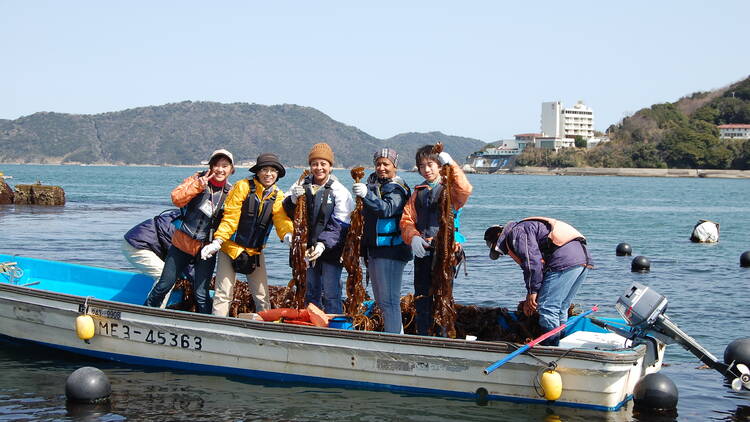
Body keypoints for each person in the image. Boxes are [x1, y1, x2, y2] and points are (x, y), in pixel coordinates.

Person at [200, 153, 294, 316]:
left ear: (277, 174)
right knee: (224, 294)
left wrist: (288, 236)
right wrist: (218, 241)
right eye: (264, 169)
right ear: (257, 172)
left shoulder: (277, 195)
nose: (268, 174)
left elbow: (281, 219)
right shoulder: (242, 186)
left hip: (254, 251)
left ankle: (265, 330)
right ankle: (218, 327)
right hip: (230, 248)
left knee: (262, 295)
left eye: (273, 170)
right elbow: (231, 216)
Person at [145, 149, 234, 314]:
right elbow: (176, 198)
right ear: (210, 166)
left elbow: (232, 220)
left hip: (206, 249)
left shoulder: (231, 192)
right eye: (216, 165)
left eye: (225, 166)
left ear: (231, 170)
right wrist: (198, 186)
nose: (220, 170)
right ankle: (145, 312)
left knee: (201, 293)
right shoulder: (196, 179)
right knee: (165, 284)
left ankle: (205, 325)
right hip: (182, 243)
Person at [484, 217, 593, 346]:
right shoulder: (524, 228)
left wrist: (533, 291)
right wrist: (531, 294)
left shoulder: (517, 232)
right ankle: (561, 344)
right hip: (581, 260)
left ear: (499, 236)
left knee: (547, 308)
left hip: (563, 261)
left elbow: (532, 262)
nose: (505, 254)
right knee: (561, 307)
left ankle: (551, 347)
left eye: (500, 250)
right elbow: (539, 269)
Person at [400, 145, 472, 336]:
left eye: (430, 164)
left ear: (439, 165)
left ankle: (442, 336)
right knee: (422, 295)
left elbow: (465, 189)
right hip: (423, 249)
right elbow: (406, 220)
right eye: (422, 166)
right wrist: (413, 238)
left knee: (443, 296)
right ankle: (423, 334)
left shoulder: (451, 189)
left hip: (446, 251)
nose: (427, 169)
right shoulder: (418, 192)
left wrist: (452, 165)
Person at [283, 143, 354, 314]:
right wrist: (292, 199)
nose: (319, 168)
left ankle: (334, 328)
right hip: (306, 250)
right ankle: (312, 326)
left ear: (331, 166)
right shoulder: (300, 185)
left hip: (331, 250)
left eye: (323, 164)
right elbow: (287, 211)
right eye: (315, 164)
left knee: (331, 293)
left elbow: (341, 223)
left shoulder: (339, 191)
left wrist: (323, 244)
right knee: (310, 292)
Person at [352, 148, 412, 333]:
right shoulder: (372, 183)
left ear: (395, 165)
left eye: (386, 164)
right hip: (374, 250)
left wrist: (366, 195)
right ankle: (394, 334)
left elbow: (387, 209)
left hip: (392, 251)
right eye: (378, 163)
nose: (381, 168)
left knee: (390, 300)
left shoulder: (397, 188)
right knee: (380, 299)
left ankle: (395, 339)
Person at [122, 209, 193, 307]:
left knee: (170, 276)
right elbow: (182, 259)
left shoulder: (186, 216)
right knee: (165, 278)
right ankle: (152, 311)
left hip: (146, 243)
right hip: (137, 245)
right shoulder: (181, 228)